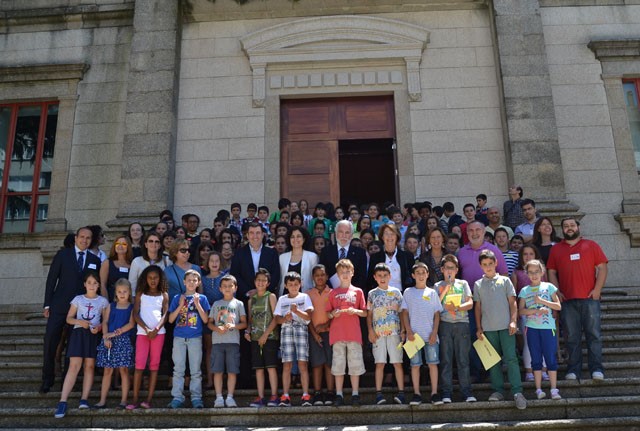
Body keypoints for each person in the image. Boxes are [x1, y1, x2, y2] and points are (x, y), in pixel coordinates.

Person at [42, 226, 101, 395]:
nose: (84, 240)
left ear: (92, 240)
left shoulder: (94, 260)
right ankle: (47, 378)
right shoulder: (63, 255)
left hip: (80, 311)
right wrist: (47, 304)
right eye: (81, 237)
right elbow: (51, 279)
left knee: (73, 347)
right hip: (59, 307)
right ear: (76, 238)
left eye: (88, 238)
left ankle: (67, 382)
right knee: (50, 342)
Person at [547, 217, 608, 380]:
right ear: (562, 230)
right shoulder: (556, 249)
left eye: (572, 225)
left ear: (578, 227)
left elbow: (602, 267)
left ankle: (597, 369)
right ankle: (573, 369)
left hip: (590, 299)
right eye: (566, 226)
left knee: (593, 335)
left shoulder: (591, 245)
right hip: (567, 301)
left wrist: (597, 289)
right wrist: (556, 291)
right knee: (571, 337)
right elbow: (551, 271)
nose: (569, 228)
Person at [474, 250, 527, 410]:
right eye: (485, 265)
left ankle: (517, 391)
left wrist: (513, 321)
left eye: (490, 264)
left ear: (496, 263)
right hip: (488, 328)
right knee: (493, 361)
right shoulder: (478, 284)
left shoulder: (505, 281)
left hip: (505, 326)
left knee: (511, 358)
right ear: (480, 266)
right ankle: (498, 390)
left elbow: (513, 303)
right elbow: (477, 307)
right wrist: (478, 327)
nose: (488, 267)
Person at [53, 270, 109, 418]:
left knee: (89, 366)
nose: (92, 285)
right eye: (89, 282)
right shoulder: (78, 299)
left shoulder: (103, 301)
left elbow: (105, 320)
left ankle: (84, 399)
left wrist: (100, 328)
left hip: (93, 335)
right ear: (84, 284)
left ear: (98, 285)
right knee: (74, 366)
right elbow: (69, 318)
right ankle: (63, 401)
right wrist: (80, 322)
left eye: (95, 283)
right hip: (78, 334)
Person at [518, 259, 562, 400]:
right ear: (527, 274)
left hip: (548, 327)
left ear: (542, 272)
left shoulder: (549, 287)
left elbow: (558, 306)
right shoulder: (524, 290)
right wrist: (532, 311)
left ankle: (554, 389)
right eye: (530, 272)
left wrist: (543, 302)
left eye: (536, 272)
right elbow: (520, 311)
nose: (534, 275)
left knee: (550, 358)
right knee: (535, 359)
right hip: (532, 329)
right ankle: (538, 389)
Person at [434, 256, 475, 403]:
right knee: (446, 359)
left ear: (457, 270)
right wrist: (446, 289)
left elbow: (470, 303)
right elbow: (436, 305)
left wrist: (457, 307)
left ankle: (466, 391)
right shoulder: (437, 285)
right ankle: (446, 392)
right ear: (442, 270)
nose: (449, 271)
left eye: (452, 268)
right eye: (447, 268)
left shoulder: (463, 283)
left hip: (462, 323)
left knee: (463, 359)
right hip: (445, 324)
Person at [326, 259, 368, 406]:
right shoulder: (333, 292)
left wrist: (355, 311)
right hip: (337, 335)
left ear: (352, 273)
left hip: (354, 335)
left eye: (347, 271)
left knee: (355, 365)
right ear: (337, 275)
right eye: (342, 272)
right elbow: (327, 314)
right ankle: (339, 394)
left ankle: (355, 394)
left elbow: (364, 313)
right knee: (338, 365)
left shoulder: (358, 291)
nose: (345, 274)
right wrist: (333, 314)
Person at [401, 262, 443, 406]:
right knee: (415, 365)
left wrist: (435, 332)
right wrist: (408, 331)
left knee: (432, 364)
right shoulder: (408, 292)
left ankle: (434, 393)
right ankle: (417, 393)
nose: (420, 275)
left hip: (430, 335)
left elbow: (437, 314)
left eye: (423, 272)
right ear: (413, 275)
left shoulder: (432, 292)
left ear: (427, 274)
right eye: (417, 272)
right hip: (413, 337)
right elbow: (404, 313)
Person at [166, 269, 210, 409]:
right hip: (179, 337)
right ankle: (177, 397)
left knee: (195, 370)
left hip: (195, 337)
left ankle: (196, 398)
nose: (191, 283)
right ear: (184, 282)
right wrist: (180, 305)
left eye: (194, 280)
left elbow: (205, 319)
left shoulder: (202, 298)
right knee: (178, 369)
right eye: (189, 280)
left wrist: (197, 304)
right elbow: (171, 319)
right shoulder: (177, 297)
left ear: (198, 282)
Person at [128, 265, 169, 410]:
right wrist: (146, 329)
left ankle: (149, 400)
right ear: (145, 279)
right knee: (139, 366)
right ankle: (134, 400)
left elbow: (165, 314)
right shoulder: (140, 294)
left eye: (156, 278)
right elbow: (135, 313)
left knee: (154, 366)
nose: (153, 280)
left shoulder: (164, 294)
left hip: (159, 334)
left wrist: (157, 328)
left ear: (160, 279)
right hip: (142, 333)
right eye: (150, 278)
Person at [367, 263, 405, 405]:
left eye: (385, 275)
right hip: (378, 334)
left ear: (390, 276)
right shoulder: (372, 294)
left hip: (395, 332)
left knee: (397, 362)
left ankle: (401, 393)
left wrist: (403, 330)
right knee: (380, 363)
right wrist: (370, 330)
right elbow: (369, 314)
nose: (382, 278)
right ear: (375, 277)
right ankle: (378, 394)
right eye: (379, 276)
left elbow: (402, 312)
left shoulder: (396, 292)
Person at [274, 272, 314, 406]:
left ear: (300, 284)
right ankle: (285, 395)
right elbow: (277, 319)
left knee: (303, 364)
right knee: (287, 364)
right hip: (286, 331)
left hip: (301, 330)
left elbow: (308, 317)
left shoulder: (304, 297)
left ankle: (305, 395)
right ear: (285, 285)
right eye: (290, 284)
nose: (293, 287)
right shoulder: (282, 299)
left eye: (296, 284)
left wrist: (297, 312)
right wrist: (284, 318)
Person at [95, 278, 135, 409]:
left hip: (123, 340)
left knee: (123, 370)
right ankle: (102, 401)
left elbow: (131, 324)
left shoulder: (131, 307)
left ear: (129, 292)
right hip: (109, 341)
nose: (122, 294)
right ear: (116, 293)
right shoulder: (110, 306)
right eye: (119, 291)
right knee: (107, 370)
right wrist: (106, 337)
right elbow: (105, 322)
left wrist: (116, 333)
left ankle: (123, 400)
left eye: (125, 291)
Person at [208, 274, 247, 408]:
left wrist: (234, 326)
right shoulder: (216, 304)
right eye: (224, 286)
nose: (227, 288)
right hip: (217, 342)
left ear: (235, 288)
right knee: (217, 370)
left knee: (232, 370)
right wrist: (217, 329)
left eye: (230, 285)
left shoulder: (239, 304)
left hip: (233, 342)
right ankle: (218, 397)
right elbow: (209, 323)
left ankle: (230, 397)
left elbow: (244, 323)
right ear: (220, 289)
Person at [511, 244, 547, 381]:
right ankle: (529, 371)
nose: (528, 257)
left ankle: (543, 369)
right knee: (528, 342)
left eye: (531, 254)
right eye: (525, 254)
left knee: (542, 341)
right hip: (526, 312)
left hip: (543, 312)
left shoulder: (542, 272)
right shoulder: (517, 273)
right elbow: (513, 295)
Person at [245, 269, 280, 408]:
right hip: (255, 338)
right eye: (258, 280)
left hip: (270, 337)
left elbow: (276, 318)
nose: (260, 282)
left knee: (271, 367)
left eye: (264, 280)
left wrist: (265, 334)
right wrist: (247, 331)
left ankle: (274, 396)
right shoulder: (251, 300)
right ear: (254, 282)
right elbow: (250, 320)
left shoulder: (271, 296)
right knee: (258, 369)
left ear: (268, 283)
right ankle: (260, 397)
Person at [307, 264, 335, 406]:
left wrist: (326, 325)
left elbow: (336, 314)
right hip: (314, 334)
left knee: (329, 363)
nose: (320, 277)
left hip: (330, 332)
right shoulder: (308, 294)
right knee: (317, 363)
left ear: (327, 276)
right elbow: (307, 317)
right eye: (317, 275)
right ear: (313, 277)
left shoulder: (332, 293)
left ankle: (330, 392)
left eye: (322, 274)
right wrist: (314, 333)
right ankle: (317, 393)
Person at [201, 251, 228, 388]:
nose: (214, 263)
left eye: (217, 260)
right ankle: (211, 379)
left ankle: (222, 379)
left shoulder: (226, 278)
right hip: (208, 317)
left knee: (222, 348)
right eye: (211, 261)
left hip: (223, 315)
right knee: (209, 348)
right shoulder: (203, 279)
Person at [320, 220, 368, 290]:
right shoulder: (326, 251)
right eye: (341, 232)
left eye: (347, 232)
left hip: (352, 294)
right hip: (330, 293)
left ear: (351, 235)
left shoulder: (360, 253)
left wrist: (350, 291)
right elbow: (323, 274)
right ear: (336, 233)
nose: (344, 236)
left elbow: (362, 277)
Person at [367, 223, 414, 293]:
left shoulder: (407, 256)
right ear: (382, 237)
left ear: (397, 236)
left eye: (392, 234)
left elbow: (412, 279)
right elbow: (370, 280)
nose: (389, 237)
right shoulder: (375, 257)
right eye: (386, 234)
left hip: (403, 295)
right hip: (382, 295)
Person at [278, 226, 318, 295]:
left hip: (306, 296)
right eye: (292, 237)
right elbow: (280, 280)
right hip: (285, 296)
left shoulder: (312, 256)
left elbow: (315, 279)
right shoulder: (282, 257)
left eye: (298, 236)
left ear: (304, 239)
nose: (295, 239)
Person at [129, 232, 170, 296]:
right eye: (151, 241)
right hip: (142, 300)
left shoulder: (167, 261)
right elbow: (132, 284)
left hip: (161, 299)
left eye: (157, 242)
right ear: (146, 244)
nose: (154, 244)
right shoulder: (136, 261)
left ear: (160, 245)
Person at [100, 235, 133, 302]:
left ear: (128, 247)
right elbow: (103, 285)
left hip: (127, 302)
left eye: (123, 244)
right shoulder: (107, 263)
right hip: (111, 300)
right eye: (117, 243)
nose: (120, 246)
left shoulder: (133, 264)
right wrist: (106, 304)